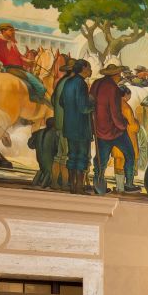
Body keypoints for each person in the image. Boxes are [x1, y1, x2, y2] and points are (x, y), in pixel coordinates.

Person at [92, 64, 140, 194]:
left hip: (99, 130)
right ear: (114, 75)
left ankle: (98, 185)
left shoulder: (96, 83)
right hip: (114, 131)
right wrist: (123, 125)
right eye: (118, 74)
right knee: (130, 155)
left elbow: (91, 103)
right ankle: (129, 184)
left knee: (101, 160)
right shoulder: (113, 88)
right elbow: (115, 112)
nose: (120, 76)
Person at [54, 59, 94, 194]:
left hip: (69, 126)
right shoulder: (81, 84)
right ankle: (79, 187)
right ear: (83, 68)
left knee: (72, 156)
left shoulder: (68, 82)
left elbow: (61, 102)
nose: (90, 70)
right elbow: (83, 108)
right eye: (89, 68)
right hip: (81, 127)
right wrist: (93, 103)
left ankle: (72, 186)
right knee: (82, 157)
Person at [0, 23, 48, 103]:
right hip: (11, 69)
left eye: (13, 30)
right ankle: (37, 99)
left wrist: (27, 61)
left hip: (18, 68)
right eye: (11, 30)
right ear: (3, 31)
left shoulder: (12, 43)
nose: (13, 32)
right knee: (41, 87)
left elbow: (19, 56)